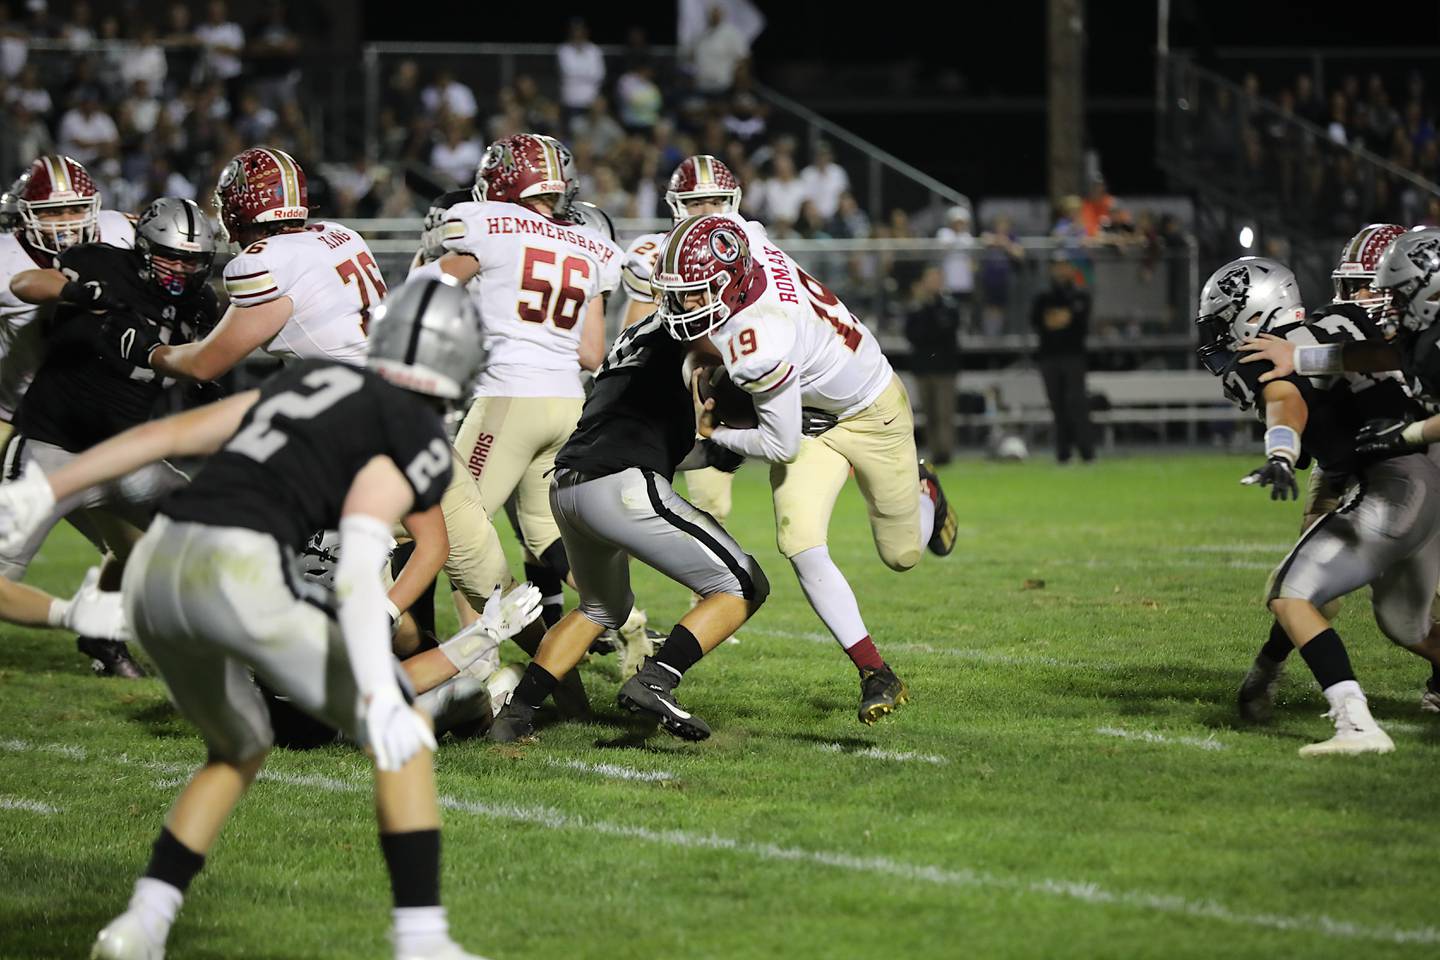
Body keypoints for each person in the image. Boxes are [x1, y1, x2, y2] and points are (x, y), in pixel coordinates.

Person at [0, 275, 493, 960]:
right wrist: (380, 692)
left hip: (157, 568)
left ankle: (142, 923)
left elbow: (172, 432)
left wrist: (46, 490)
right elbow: (355, 561)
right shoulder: (414, 429)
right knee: (404, 725)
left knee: (240, 747)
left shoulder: (309, 382)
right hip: (240, 567)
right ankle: (422, 940)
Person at [105, 147, 516, 650]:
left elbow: (206, 363)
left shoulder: (262, 262)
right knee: (489, 582)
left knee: (337, 584)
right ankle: (546, 689)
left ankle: (400, 681)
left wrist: (149, 351)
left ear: (240, 206)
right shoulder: (341, 235)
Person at [651, 215, 959, 724]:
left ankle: (926, 492)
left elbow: (779, 442)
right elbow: (743, 224)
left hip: (871, 411)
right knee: (799, 542)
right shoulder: (742, 240)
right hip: (813, 418)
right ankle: (875, 672)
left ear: (729, 285)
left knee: (902, 555)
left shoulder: (762, 336)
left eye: (694, 293)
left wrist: (715, 437)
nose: (681, 304)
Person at [1195, 256, 1440, 755]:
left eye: (1224, 322)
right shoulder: (1339, 326)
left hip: (1390, 485)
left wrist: (1280, 452)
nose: (1221, 337)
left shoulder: (1271, 351)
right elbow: (1385, 357)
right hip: (1425, 479)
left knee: (1291, 591)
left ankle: (1355, 724)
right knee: (1404, 624)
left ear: (1252, 312)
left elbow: (1285, 399)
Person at [487, 309, 765, 743]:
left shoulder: (638, 344)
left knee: (602, 608)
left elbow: (664, 442)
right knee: (743, 583)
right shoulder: (683, 328)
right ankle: (656, 678)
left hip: (569, 487)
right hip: (620, 486)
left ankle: (517, 712)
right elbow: (723, 355)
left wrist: (717, 447)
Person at [415, 134, 627, 662]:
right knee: (543, 535)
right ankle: (632, 626)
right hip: (568, 406)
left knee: (458, 535)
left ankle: (479, 668)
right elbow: (592, 351)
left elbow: (428, 288)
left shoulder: (493, 226)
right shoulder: (587, 243)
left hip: (509, 398)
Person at [7, 197, 216, 679]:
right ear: (143, 248)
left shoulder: (201, 304)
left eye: (193, 260)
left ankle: (109, 632)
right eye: (171, 255)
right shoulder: (101, 262)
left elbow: (199, 372)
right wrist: (78, 294)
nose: (182, 269)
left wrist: (208, 390)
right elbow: (25, 283)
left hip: (124, 456)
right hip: (51, 449)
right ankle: (78, 617)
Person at [622, 155, 746, 529]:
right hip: (662, 390)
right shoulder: (654, 252)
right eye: (695, 202)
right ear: (677, 205)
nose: (707, 210)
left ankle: (710, 588)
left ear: (732, 202)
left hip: (714, 389)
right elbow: (635, 330)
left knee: (712, 505)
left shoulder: (748, 246)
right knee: (630, 505)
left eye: (715, 201)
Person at [0, 155, 136, 451]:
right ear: (26, 216)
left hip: (93, 416)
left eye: (76, 209)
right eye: (53, 212)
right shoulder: (5, 258)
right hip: (13, 416)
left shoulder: (119, 231)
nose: (67, 223)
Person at [1030, 253, 1095, 464]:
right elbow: (1042, 322)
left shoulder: (1080, 294)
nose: (1060, 270)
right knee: (1057, 405)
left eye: (1064, 265)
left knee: (1077, 403)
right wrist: (1061, 318)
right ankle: (1063, 452)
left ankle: (1086, 451)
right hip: (1050, 356)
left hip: (1073, 356)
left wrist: (1057, 319)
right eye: (1057, 266)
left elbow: (1073, 321)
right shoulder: (1043, 296)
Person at [904, 265, 961, 466]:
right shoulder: (916, 306)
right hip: (923, 367)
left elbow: (946, 331)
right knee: (929, 413)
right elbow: (911, 334)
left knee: (944, 412)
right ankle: (935, 451)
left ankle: (945, 452)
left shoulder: (949, 305)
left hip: (944, 367)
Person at [556, 18, 604, 127]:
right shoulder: (563, 50)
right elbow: (568, 72)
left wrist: (578, 73)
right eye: (575, 31)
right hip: (570, 100)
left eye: (580, 31)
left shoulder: (594, 50)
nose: (577, 34)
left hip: (591, 101)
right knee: (573, 131)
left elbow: (598, 74)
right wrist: (587, 73)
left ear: (585, 32)